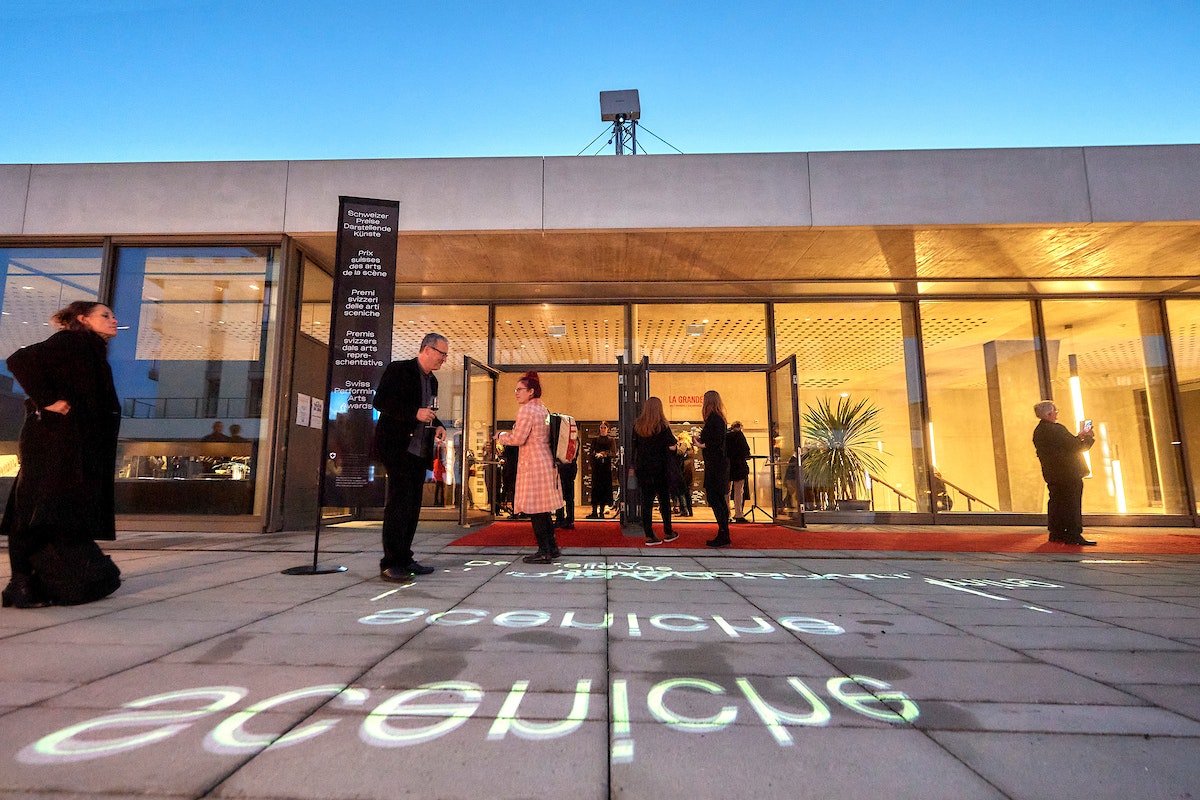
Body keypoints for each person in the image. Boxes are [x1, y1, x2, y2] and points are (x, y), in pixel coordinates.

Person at [1, 301, 122, 608]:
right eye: (104, 315)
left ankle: (29, 583)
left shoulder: (91, 350)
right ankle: (21, 583)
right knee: (36, 507)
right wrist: (47, 400)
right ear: (83, 319)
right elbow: (20, 359)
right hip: (52, 439)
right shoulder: (72, 341)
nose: (113, 319)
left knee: (44, 507)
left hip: (64, 440)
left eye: (112, 315)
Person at [372, 332, 448, 581]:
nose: (444, 359)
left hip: (419, 451)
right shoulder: (399, 370)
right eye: (442, 354)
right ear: (427, 349)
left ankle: (405, 557)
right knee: (398, 504)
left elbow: (429, 411)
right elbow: (381, 402)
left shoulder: (433, 381)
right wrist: (414, 413)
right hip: (397, 448)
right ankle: (390, 561)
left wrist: (438, 425)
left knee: (413, 505)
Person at [496, 371, 563, 563]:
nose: (516, 393)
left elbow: (518, 438)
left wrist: (501, 436)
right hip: (546, 461)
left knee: (535, 509)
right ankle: (552, 547)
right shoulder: (543, 409)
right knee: (543, 509)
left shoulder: (526, 410)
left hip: (532, 464)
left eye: (520, 389)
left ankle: (544, 551)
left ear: (531, 391)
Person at [1032, 400, 1096, 546]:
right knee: (1072, 503)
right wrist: (1088, 437)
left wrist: (1078, 437)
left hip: (1052, 473)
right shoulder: (1057, 429)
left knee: (1056, 502)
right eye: (1055, 411)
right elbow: (1077, 447)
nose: (1056, 414)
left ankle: (1056, 532)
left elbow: (1063, 445)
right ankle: (1073, 534)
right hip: (1069, 472)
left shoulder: (1039, 431)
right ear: (1049, 414)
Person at [633, 397, 679, 546]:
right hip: (660, 469)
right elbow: (672, 445)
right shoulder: (662, 427)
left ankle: (649, 535)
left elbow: (635, 447)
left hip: (643, 469)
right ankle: (668, 532)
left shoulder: (638, 426)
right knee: (664, 500)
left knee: (646, 502)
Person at [696, 390, 732, 548]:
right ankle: (724, 532)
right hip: (718, 465)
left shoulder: (714, 419)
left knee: (715, 498)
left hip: (716, 466)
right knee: (718, 499)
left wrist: (701, 444)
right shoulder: (719, 418)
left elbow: (714, 442)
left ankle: (723, 532)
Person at [588, 421, 615, 518]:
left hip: (606, 468)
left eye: (604, 428)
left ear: (608, 429)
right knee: (595, 488)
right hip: (597, 467)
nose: (603, 429)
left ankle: (602, 511)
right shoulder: (595, 440)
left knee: (604, 488)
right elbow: (591, 452)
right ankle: (594, 511)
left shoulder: (611, 440)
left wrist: (604, 454)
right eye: (601, 428)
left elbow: (613, 453)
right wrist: (596, 455)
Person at [726, 420, 751, 522]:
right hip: (739, 466)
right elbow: (746, 451)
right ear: (740, 427)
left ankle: (726, 515)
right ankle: (738, 514)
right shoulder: (740, 435)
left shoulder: (725, 435)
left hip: (727, 466)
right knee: (739, 491)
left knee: (726, 492)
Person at [554, 438, 578, 531]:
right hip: (565, 466)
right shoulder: (569, 438)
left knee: (568, 496)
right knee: (561, 495)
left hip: (568, 466)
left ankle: (568, 519)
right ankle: (561, 518)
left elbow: (574, 452)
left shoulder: (573, 438)